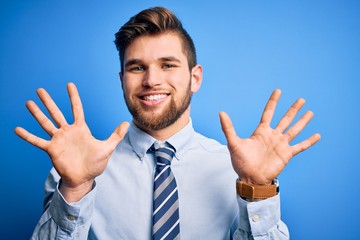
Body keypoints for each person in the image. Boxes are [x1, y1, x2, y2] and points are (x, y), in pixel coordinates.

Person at [15, 6, 320, 240]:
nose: (151, 80)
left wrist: (258, 190)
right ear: (122, 80)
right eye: (137, 67)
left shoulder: (236, 170)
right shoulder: (75, 170)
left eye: (168, 65)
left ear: (195, 77)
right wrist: (75, 189)